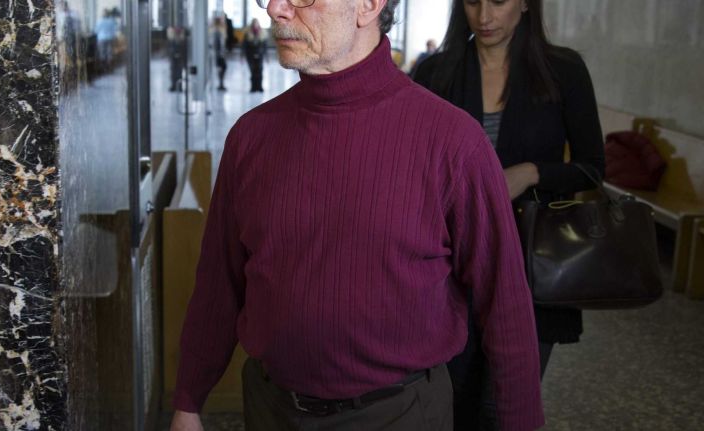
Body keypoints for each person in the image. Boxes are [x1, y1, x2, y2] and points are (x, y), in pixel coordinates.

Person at [171, 0, 545, 429]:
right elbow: (219, 283)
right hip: (272, 408)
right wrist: (187, 400)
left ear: (368, 5)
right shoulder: (251, 138)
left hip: (399, 414)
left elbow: (505, 305)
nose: (275, 9)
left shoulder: (453, 143)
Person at [413, 0, 605, 429]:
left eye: (498, 2)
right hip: (449, 269)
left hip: (531, 264)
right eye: (473, 2)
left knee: (503, 407)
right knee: (451, 399)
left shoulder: (563, 71)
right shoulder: (435, 73)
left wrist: (531, 172)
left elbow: (593, 166)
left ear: (524, 4)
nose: (484, 17)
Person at [243, 19, 268, 92]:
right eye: (254, 23)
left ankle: (259, 87)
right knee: (252, 71)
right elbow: (244, 46)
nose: (255, 25)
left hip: (260, 55)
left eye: (256, 23)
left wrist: (266, 56)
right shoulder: (248, 33)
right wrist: (243, 56)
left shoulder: (263, 33)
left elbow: (265, 46)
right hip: (250, 55)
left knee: (259, 71)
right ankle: (253, 87)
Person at [211, 15, 228, 91]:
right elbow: (218, 45)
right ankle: (221, 84)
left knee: (221, 68)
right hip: (219, 54)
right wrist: (221, 54)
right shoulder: (218, 31)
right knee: (222, 68)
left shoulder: (219, 31)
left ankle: (221, 83)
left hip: (220, 54)